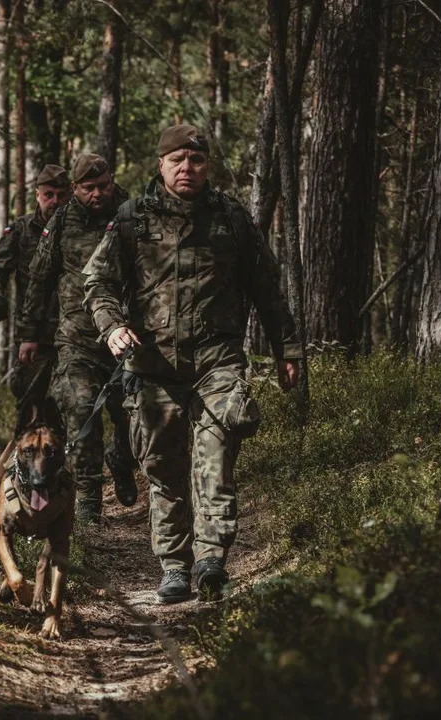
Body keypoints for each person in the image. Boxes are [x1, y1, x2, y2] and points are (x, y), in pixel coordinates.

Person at [82, 125, 302, 603]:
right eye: (178, 160)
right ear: (160, 164)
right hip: (152, 366)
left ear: (208, 166)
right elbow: (97, 281)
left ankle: (210, 560)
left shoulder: (231, 220)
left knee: (216, 461)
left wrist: (289, 348)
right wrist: (112, 325)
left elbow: (267, 287)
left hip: (216, 363)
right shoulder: (132, 218)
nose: (188, 169)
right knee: (164, 468)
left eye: (197, 161)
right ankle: (174, 565)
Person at [18, 154, 138, 524]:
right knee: (81, 411)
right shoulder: (62, 221)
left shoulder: (132, 214)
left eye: (103, 186)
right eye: (89, 189)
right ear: (75, 189)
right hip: (76, 338)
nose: (98, 194)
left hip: (127, 337)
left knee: (131, 418)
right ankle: (88, 500)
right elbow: (39, 279)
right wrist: (30, 334)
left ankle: (121, 459)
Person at [0, 164, 70, 411]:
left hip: (73, 333)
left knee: (70, 403)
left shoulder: (78, 230)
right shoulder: (21, 230)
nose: (55, 201)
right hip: (34, 332)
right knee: (29, 400)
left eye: (61, 195)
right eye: (48, 195)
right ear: (37, 195)